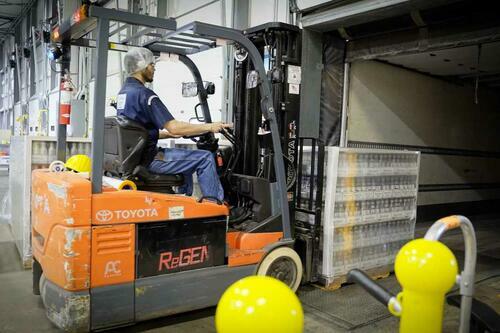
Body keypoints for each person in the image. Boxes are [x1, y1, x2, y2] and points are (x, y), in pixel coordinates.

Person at [117, 47, 231, 202]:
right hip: (149, 159)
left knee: (186, 159)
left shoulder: (124, 93)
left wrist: (166, 133)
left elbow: (137, 130)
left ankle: (183, 201)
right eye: (151, 65)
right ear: (141, 66)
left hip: (136, 157)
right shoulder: (145, 94)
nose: (154, 68)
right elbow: (174, 127)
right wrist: (210, 127)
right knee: (204, 158)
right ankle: (215, 206)